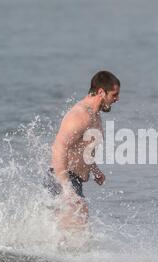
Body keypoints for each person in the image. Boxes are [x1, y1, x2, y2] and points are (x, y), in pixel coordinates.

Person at [44, 70, 120, 232]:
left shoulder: (95, 116)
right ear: (101, 92)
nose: (117, 99)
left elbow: (82, 150)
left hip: (74, 180)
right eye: (114, 95)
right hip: (62, 179)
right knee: (76, 230)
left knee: (71, 232)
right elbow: (58, 148)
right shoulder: (80, 115)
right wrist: (66, 189)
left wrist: (95, 170)